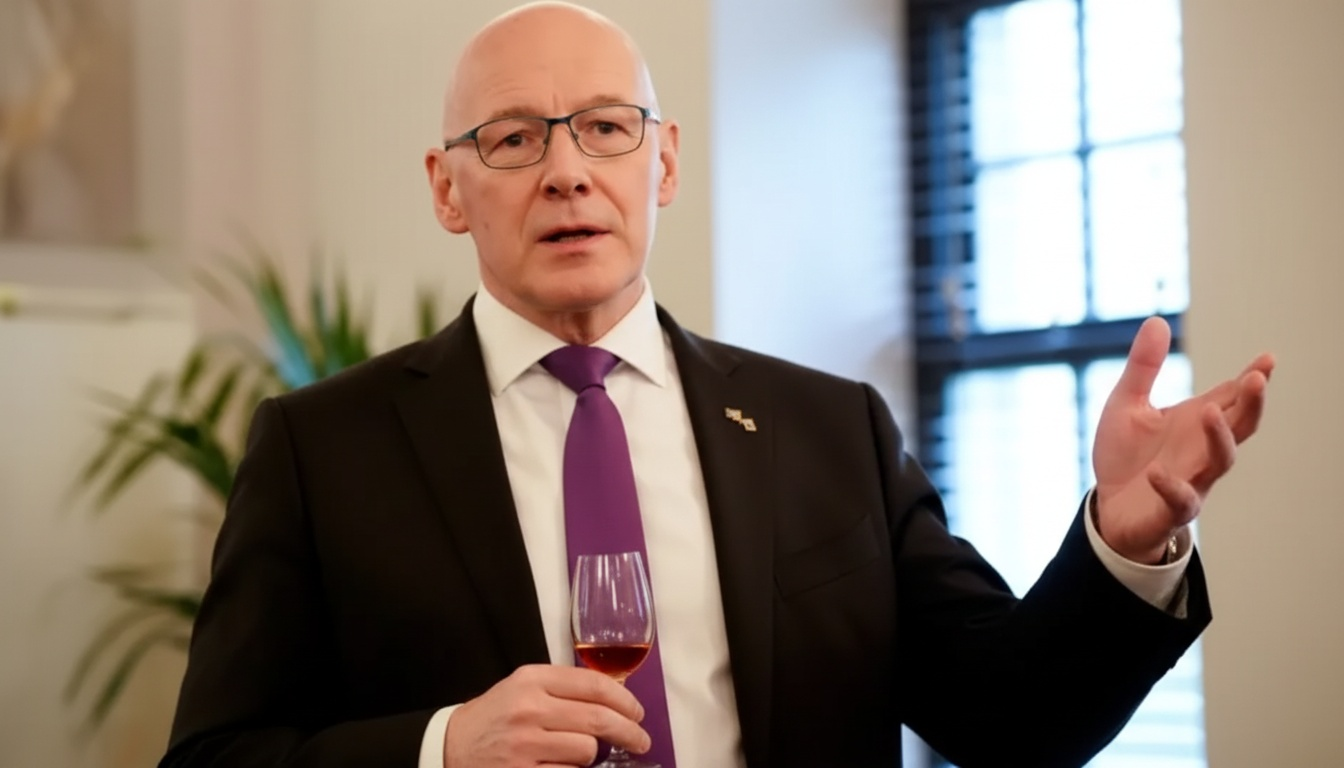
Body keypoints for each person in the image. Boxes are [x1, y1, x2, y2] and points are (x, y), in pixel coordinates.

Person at [158, 3, 1274, 767]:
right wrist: (443, 747)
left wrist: (1125, 544)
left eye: (606, 128)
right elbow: (215, 754)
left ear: (665, 163)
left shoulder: (827, 429)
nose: (567, 171)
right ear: (447, 189)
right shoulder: (322, 450)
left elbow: (1015, 721)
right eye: (513, 140)